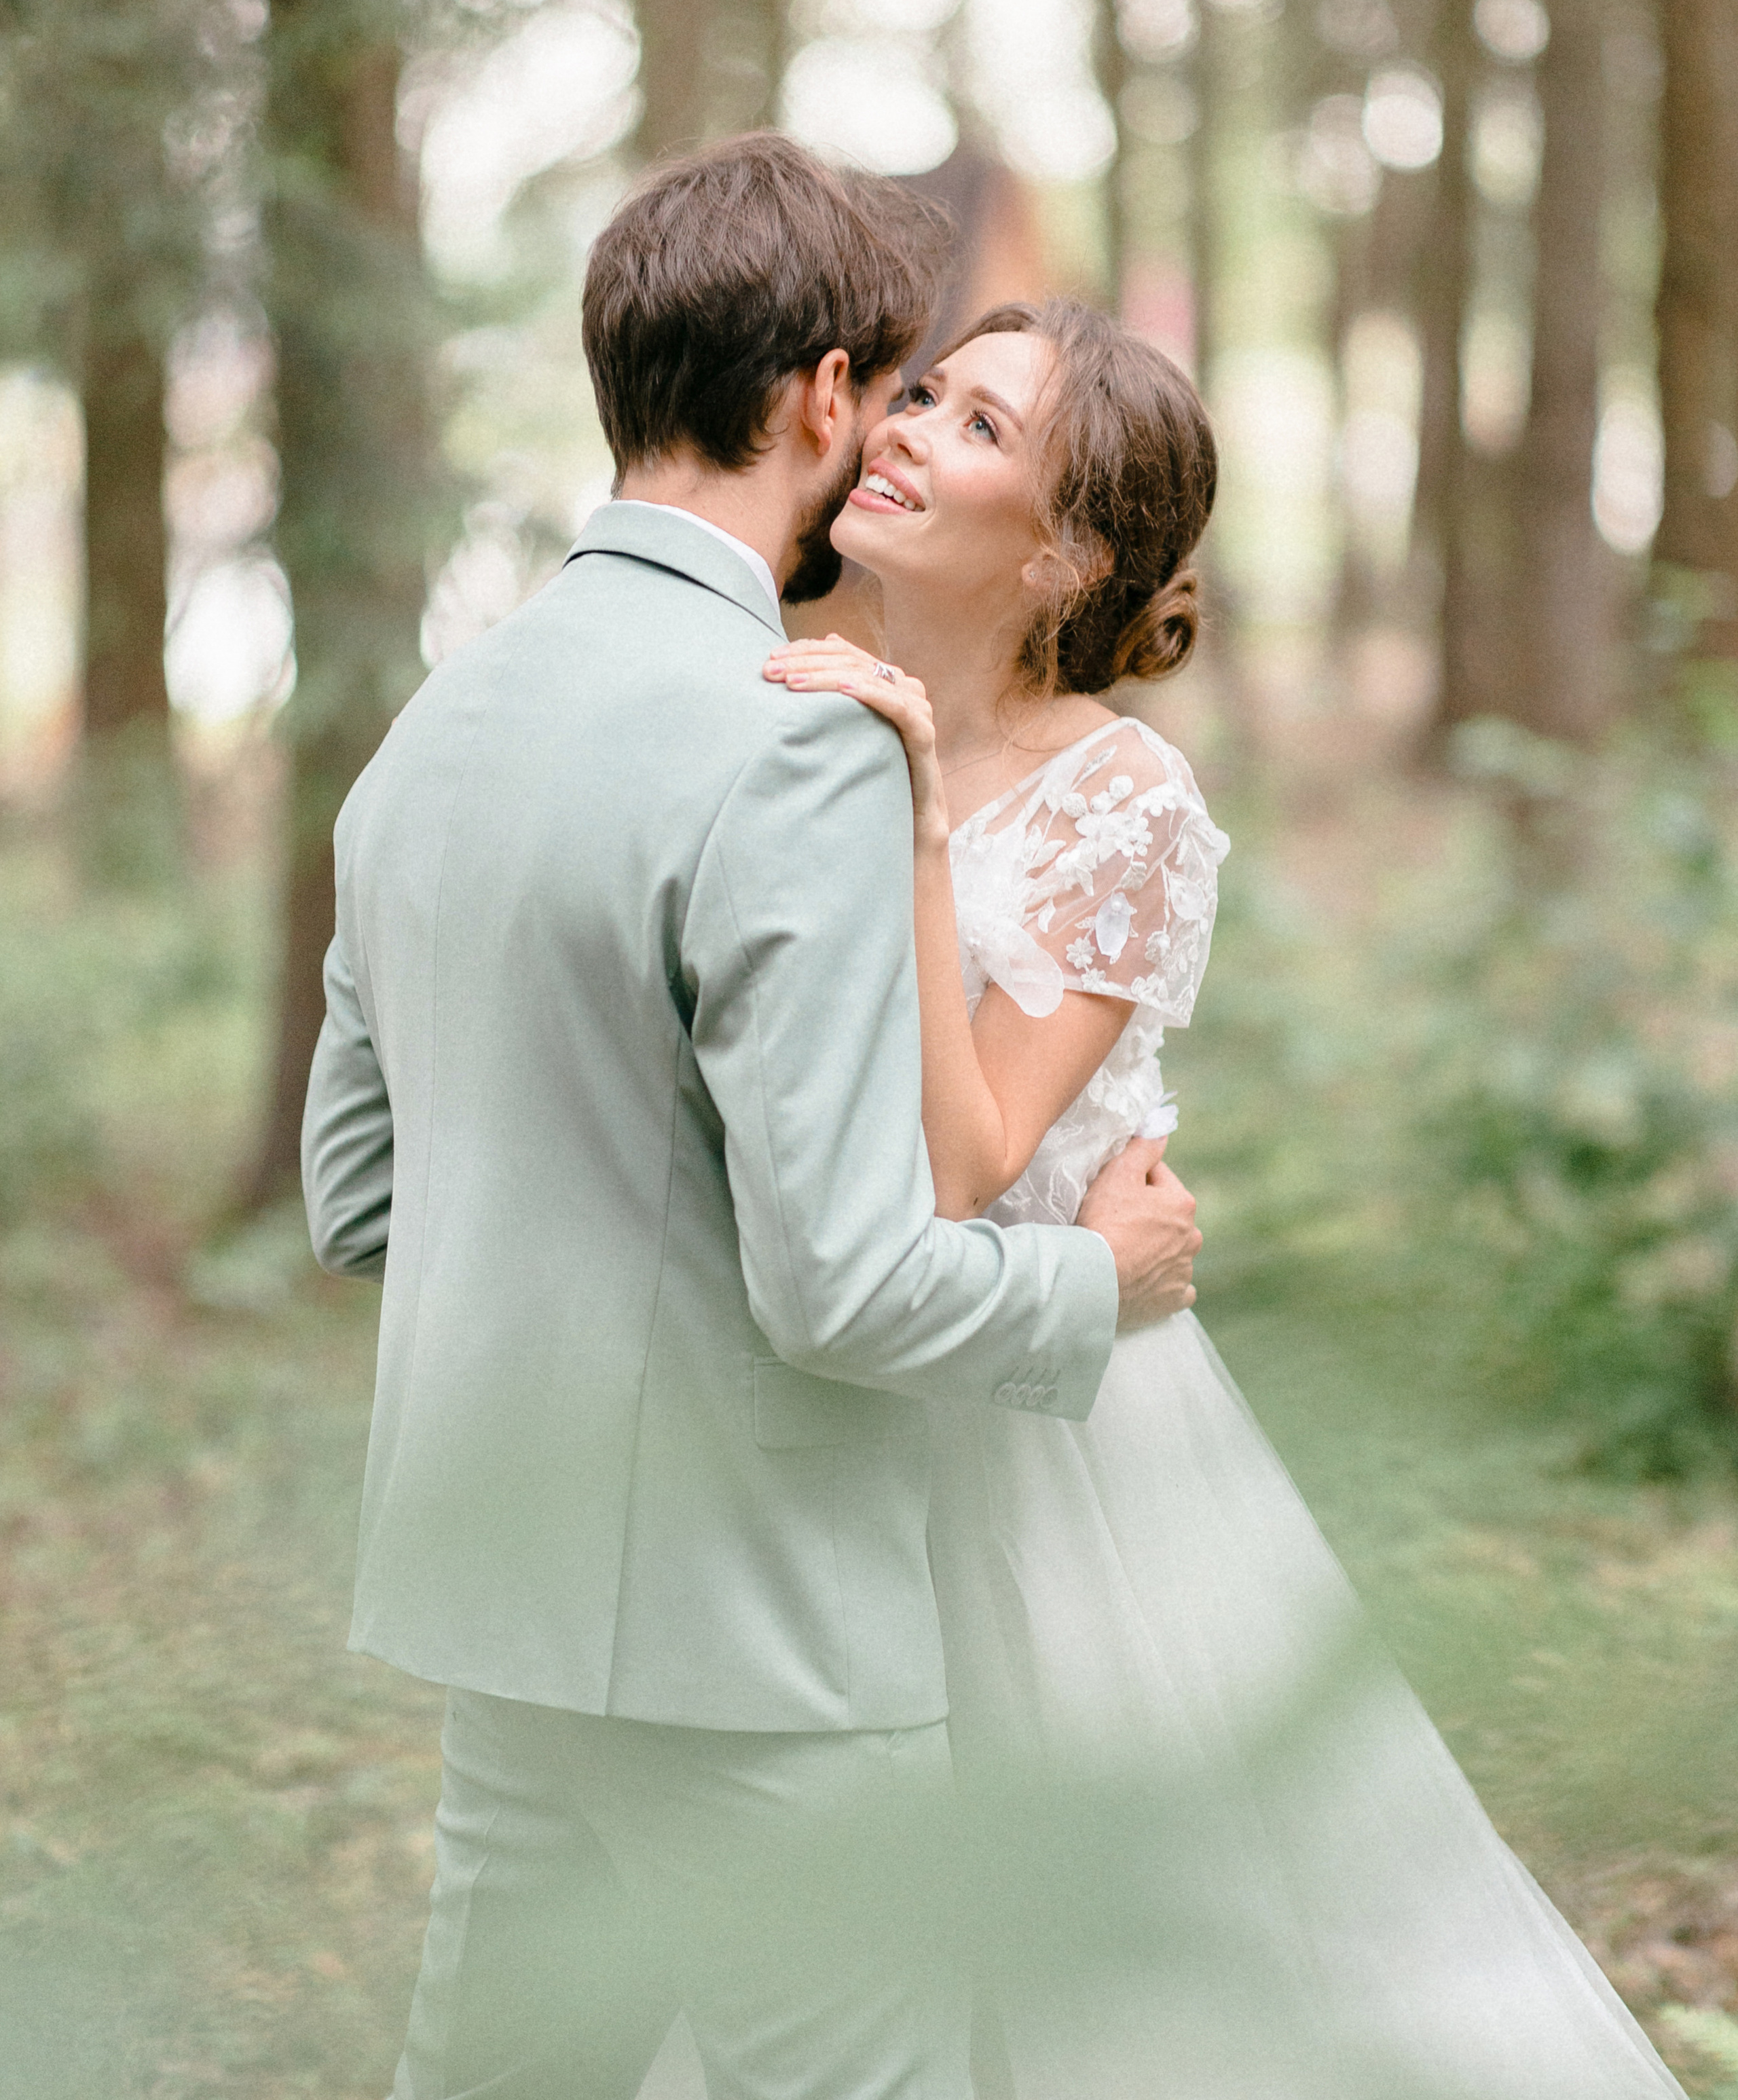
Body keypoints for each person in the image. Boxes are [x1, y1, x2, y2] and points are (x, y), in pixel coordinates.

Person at [299, 137, 1205, 2100]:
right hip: (767, 1644)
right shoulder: (796, 740)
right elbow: (845, 1292)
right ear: (817, 398)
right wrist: (1091, 1280)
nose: (898, 434)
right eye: (895, 391)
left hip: (499, 1599)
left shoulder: (428, 732)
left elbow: (366, 1198)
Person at [765, 295, 1686, 2099]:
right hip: (810, 1389)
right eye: (929, 391)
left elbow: (965, 1168)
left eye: (972, 430)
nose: (902, 426)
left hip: (1041, 1425)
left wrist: (922, 817)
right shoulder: (777, 689)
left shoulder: (1122, 797)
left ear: (1063, 555)